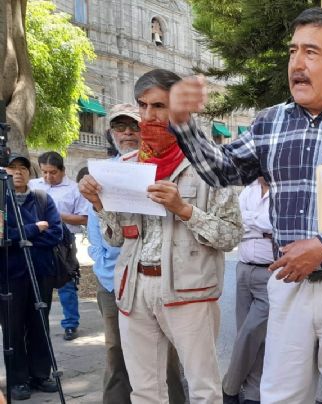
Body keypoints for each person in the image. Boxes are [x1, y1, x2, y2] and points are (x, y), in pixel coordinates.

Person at [167, 7, 322, 403]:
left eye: (311, 52)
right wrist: (182, 123)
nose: (296, 63)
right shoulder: (270, 122)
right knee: (280, 393)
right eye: (293, 51)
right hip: (288, 281)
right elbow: (222, 171)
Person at [78, 69, 243, 404]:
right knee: (145, 391)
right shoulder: (131, 164)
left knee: (203, 389)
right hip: (135, 289)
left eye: (159, 106)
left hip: (188, 289)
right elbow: (117, 237)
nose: (149, 117)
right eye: (143, 106)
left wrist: (184, 209)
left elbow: (230, 235)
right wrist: (99, 204)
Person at [85, 103, 186, 404]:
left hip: (156, 281)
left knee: (165, 359)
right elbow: (97, 236)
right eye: (120, 127)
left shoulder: (161, 169)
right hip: (114, 283)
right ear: (111, 133)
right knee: (116, 356)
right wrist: (110, 279)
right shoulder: (101, 173)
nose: (127, 133)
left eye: (133, 126)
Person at [0, 154, 63, 400]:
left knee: (40, 325)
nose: (18, 172)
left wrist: (20, 239)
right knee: (13, 328)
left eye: (23, 168)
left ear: (30, 172)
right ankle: (18, 380)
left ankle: (40, 374)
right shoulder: (1, 201)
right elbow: (3, 237)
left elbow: (55, 233)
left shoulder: (42, 198)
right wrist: (34, 229)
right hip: (10, 274)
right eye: (12, 168)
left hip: (40, 272)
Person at [28, 151, 91, 341]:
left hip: (64, 241)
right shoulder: (32, 186)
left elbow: (84, 218)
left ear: (62, 170)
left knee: (66, 282)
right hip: (36, 241)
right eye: (44, 172)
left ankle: (71, 324)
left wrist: (55, 214)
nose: (48, 177)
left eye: (53, 172)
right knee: (35, 282)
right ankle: (37, 322)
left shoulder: (74, 189)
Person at [223, 177, 272, 404]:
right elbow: (235, 220)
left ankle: (230, 387)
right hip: (243, 269)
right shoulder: (248, 190)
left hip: (271, 273)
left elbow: (275, 223)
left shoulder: (284, 189)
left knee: (250, 334)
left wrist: (249, 223)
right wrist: (260, 228)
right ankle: (253, 395)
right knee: (253, 339)